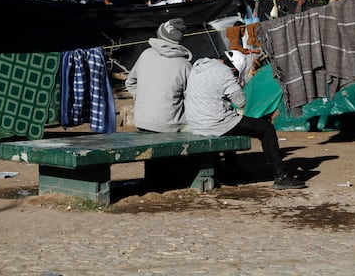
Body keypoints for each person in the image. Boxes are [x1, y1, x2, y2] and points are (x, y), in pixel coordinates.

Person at [184, 50, 306, 189]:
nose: (235, 75)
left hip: (195, 122)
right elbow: (241, 101)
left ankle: (232, 170)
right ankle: (281, 176)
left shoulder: (198, 66)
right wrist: (236, 82)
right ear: (233, 68)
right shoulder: (225, 72)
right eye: (236, 73)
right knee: (266, 129)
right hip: (213, 122)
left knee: (233, 122)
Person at [125, 18, 193, 132]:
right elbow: (192, 98)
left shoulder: (145, 55)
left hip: (141, 121)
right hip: (170, 125)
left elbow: (130, 82)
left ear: (159, 34)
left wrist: (144, 98)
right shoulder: (185, 65)